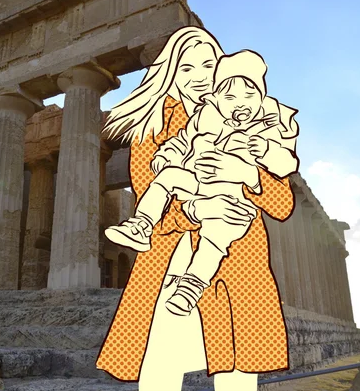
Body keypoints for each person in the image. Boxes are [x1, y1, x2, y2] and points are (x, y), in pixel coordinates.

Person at [96, 26, 295, 391]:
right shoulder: (152, 127)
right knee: (159, 372)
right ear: (170, 72)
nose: (199, 77)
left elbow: (282, 205)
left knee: (237, 373)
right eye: (186, 68)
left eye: (207, 65)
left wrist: (248, 173)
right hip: (170, 263)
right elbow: (151, 193)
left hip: (239, 262)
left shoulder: (258, 123)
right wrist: (202, 209)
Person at [104, 50, 300, 316]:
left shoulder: (271, 126)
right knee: (167, 177)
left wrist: (258, 159)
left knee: (215, 240)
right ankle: (141, 224)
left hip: (234, 202)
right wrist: (166, 156)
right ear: (216, 98)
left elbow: (283, 192)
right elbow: (182, 141)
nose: (239, 103)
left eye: (249, 95)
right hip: (198, 187)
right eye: (229, 97)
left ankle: (191, 288)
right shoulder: (198, 119)